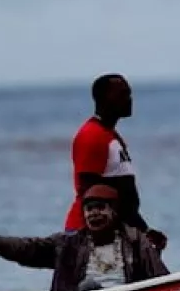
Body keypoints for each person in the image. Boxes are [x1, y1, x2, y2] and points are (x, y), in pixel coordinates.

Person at [0, 184, 169, 291]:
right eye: (89, 209)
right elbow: (24, 249)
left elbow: (162, 281)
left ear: (115, 212)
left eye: (101, 208)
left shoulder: (136, 242)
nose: (94, 215)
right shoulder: (69, 245)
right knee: (89, 286)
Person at [65, 75, 166, 252]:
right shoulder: (92, 136)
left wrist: (143, 229)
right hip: (90, 234)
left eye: (129, 93)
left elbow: (123, 197)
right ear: (104, 98)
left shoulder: (111, 135)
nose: (129, 99)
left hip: (113, 232)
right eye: (122, 94)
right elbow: (89, 191)